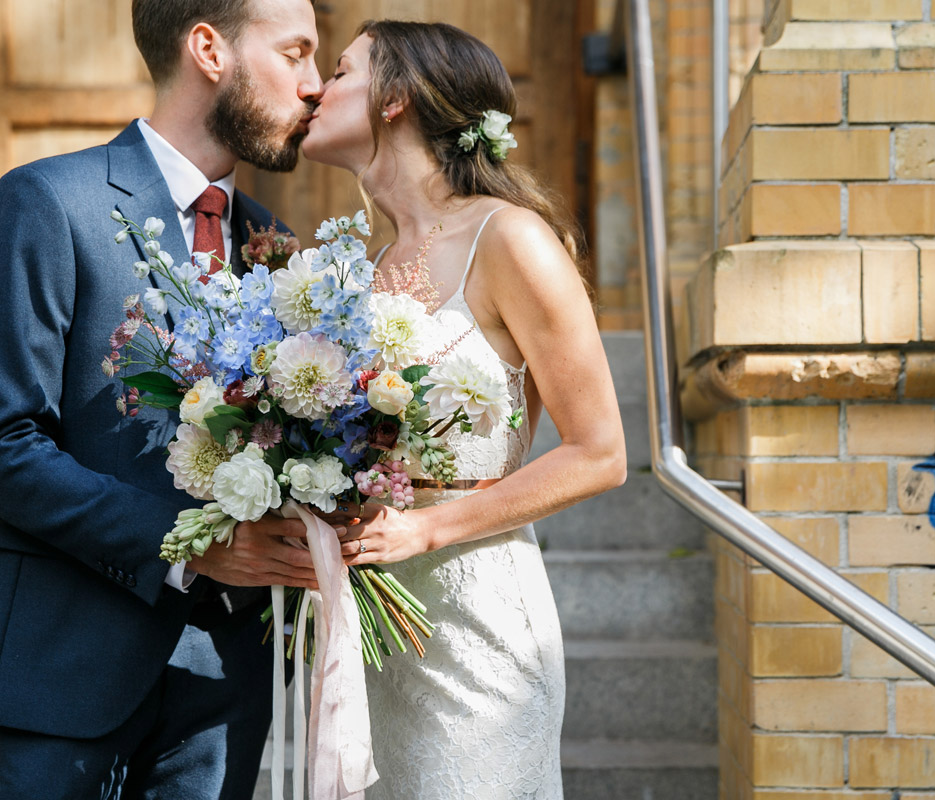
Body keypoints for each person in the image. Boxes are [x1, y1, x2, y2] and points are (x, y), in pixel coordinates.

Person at [0, 1, 325, 796]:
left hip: (227, 680)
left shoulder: (279, 249)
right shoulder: (47, 201)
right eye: (296, 53)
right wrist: (187, 546)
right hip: (65, 656)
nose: (315, 84)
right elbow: (3, 448)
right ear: (209, 49)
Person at [301, 20, 627, 799]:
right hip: (381, 629)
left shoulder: (511, 239)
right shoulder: (362, 271)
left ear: (395, 99)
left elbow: (600, 453)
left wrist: (425, 527)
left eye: (340, 72)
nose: (314, 88)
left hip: (479, 626)